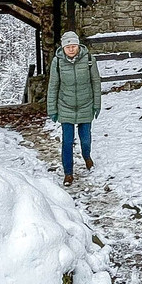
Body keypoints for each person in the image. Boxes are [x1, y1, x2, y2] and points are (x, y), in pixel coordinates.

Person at [47, 31, 101, 187]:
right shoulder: (57, 62)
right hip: (66, 106)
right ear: (63, 48)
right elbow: (53, 86)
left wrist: (96, 105)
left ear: (78, 46)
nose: (71, 49)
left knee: (85, 139)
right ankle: (68, 173)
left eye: (74, 46)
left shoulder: (89, 60)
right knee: (67, 141)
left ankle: (87, 156)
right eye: (68, 46)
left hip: (85, 104)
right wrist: (52, 109)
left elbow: (96, 83)